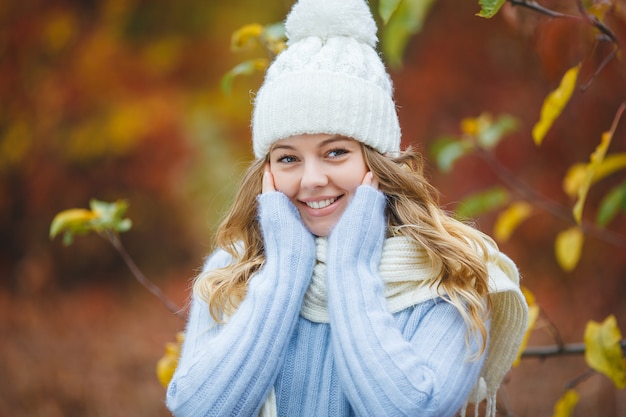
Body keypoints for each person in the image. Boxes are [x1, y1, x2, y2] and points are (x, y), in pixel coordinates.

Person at [166, 0, 528, 416]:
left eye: (335, 152)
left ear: (375, 161)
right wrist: (285, 273)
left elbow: (412, 409)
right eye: (288, 158)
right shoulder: (233, 269)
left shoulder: (447, 273)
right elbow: (198, 409)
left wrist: (350, 268)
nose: (311, 178)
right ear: (266, 173)